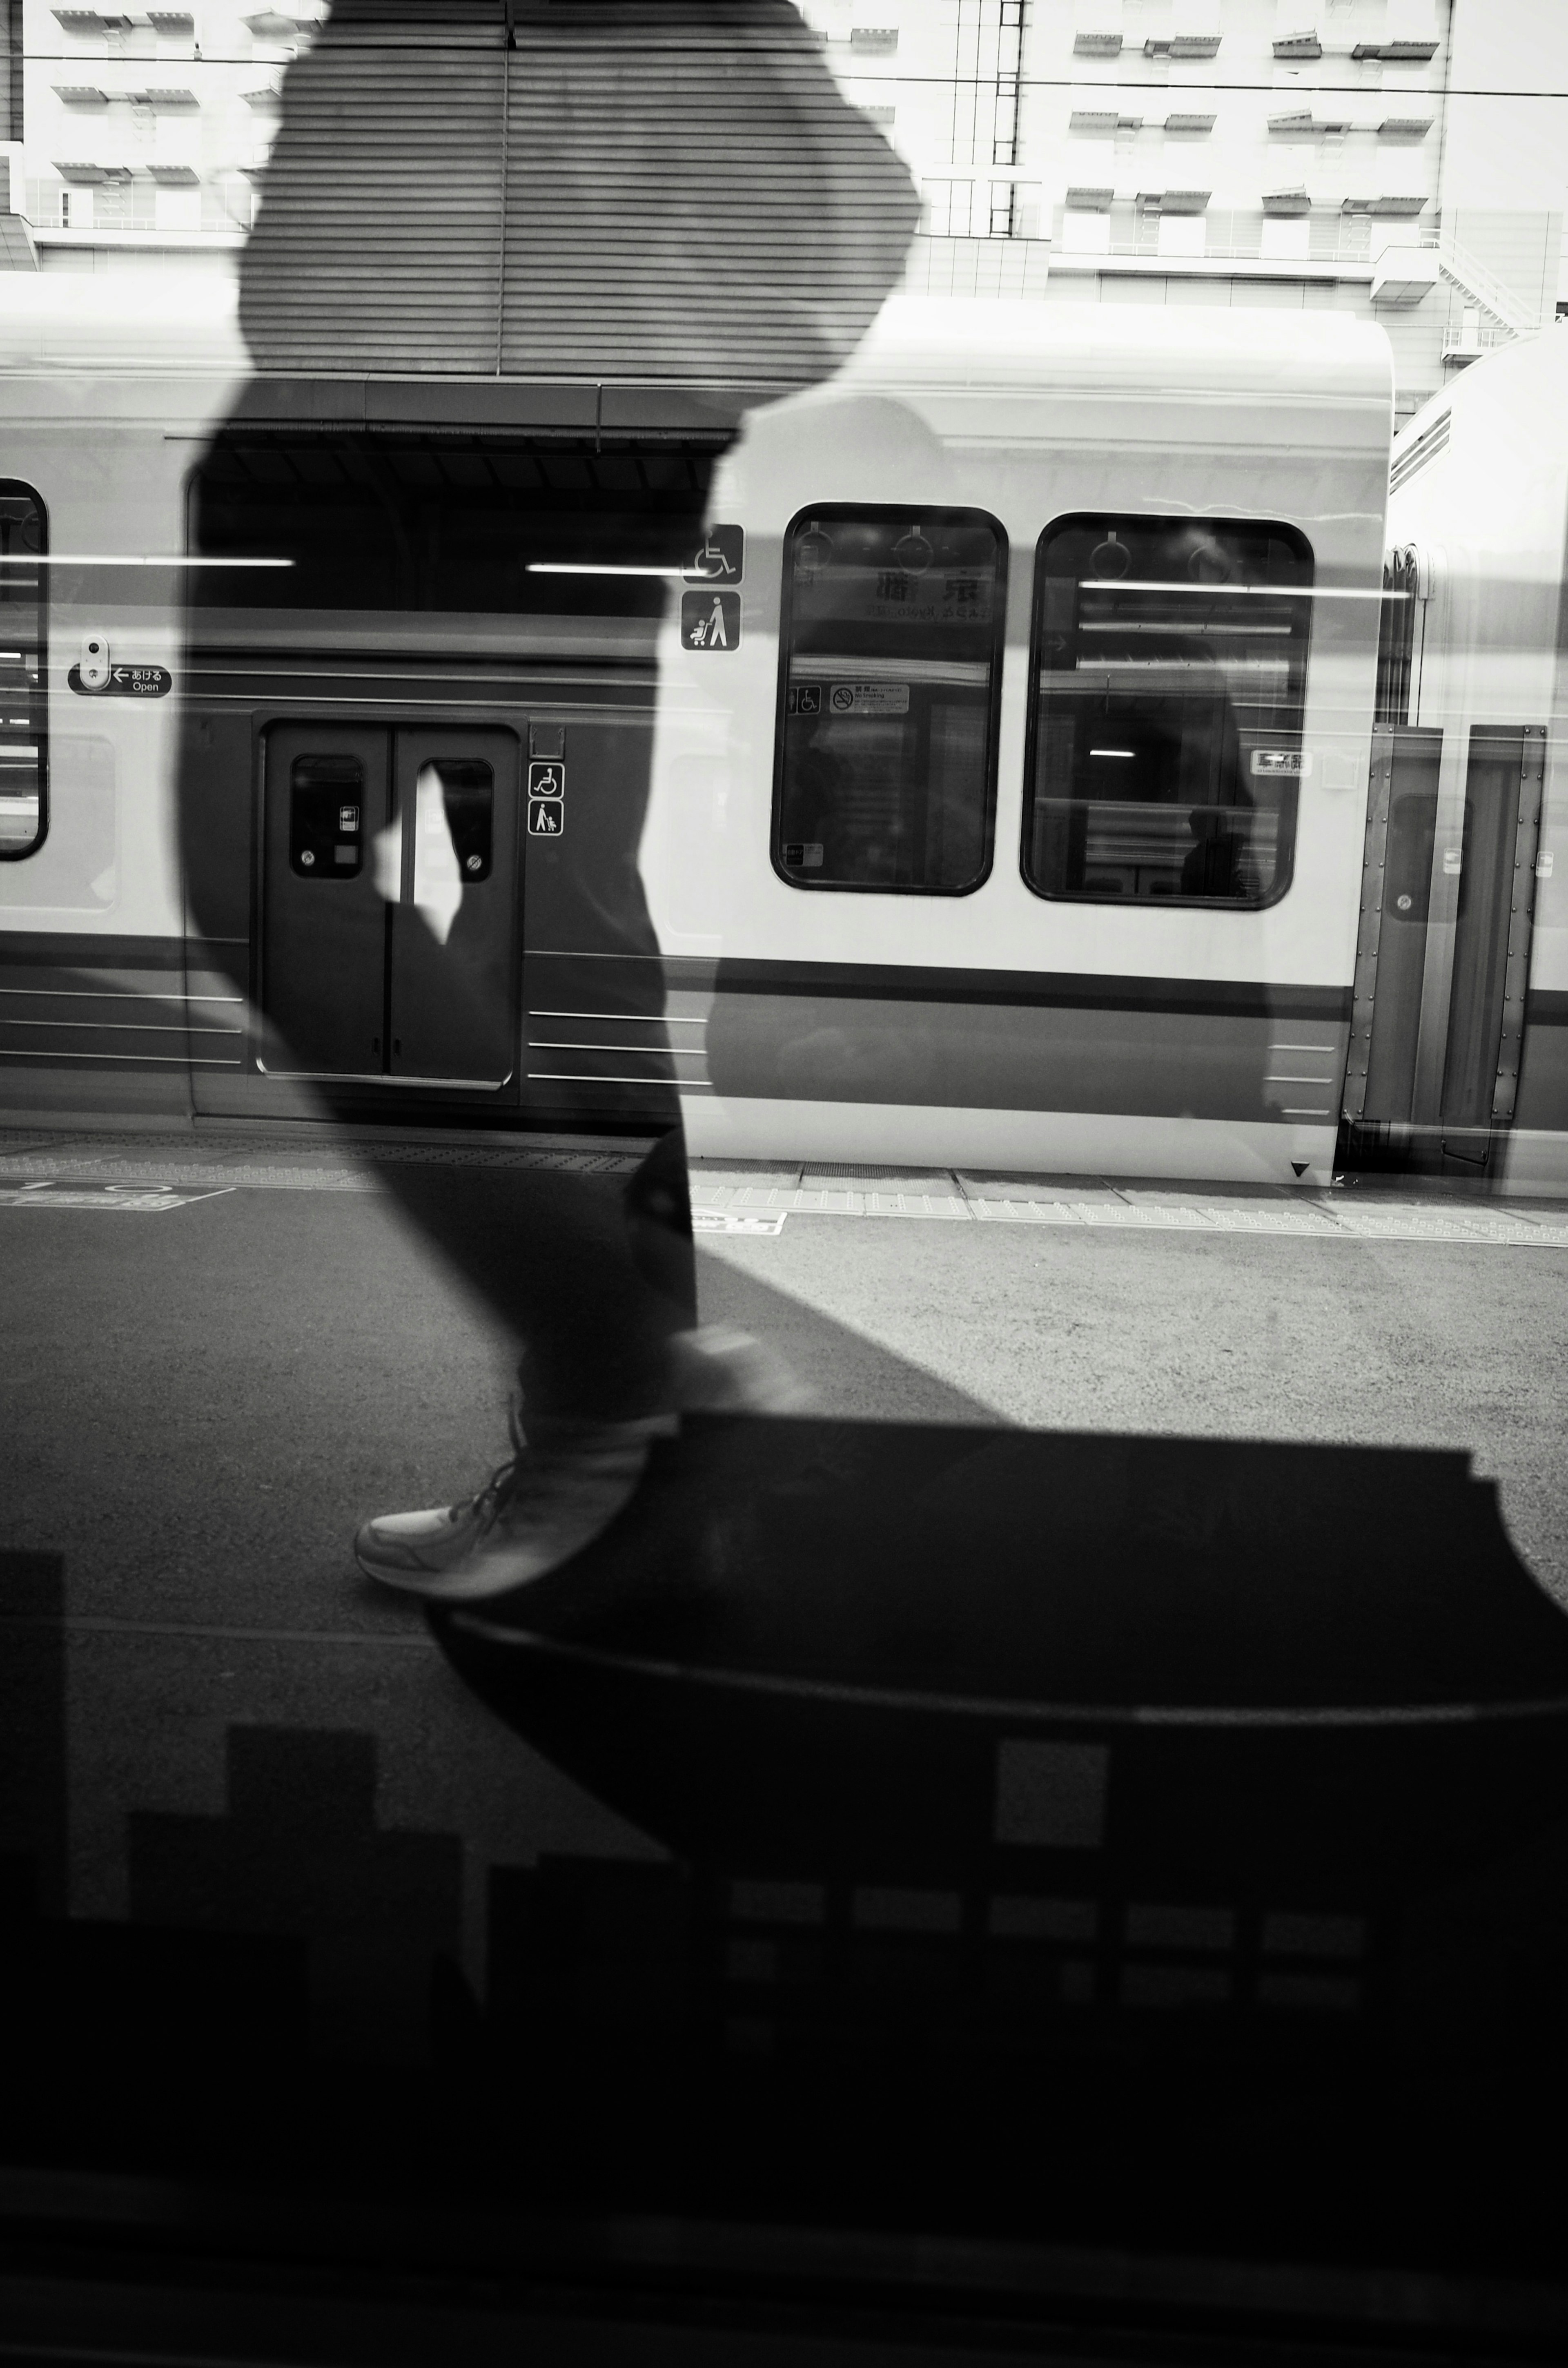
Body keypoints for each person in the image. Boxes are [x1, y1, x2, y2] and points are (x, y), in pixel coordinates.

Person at [180, 0, 917, 1603]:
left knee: (277, 890)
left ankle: (619, 1385)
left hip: (408, 431)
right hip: (569, 434)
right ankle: (626, 1410)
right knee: (562, 919)